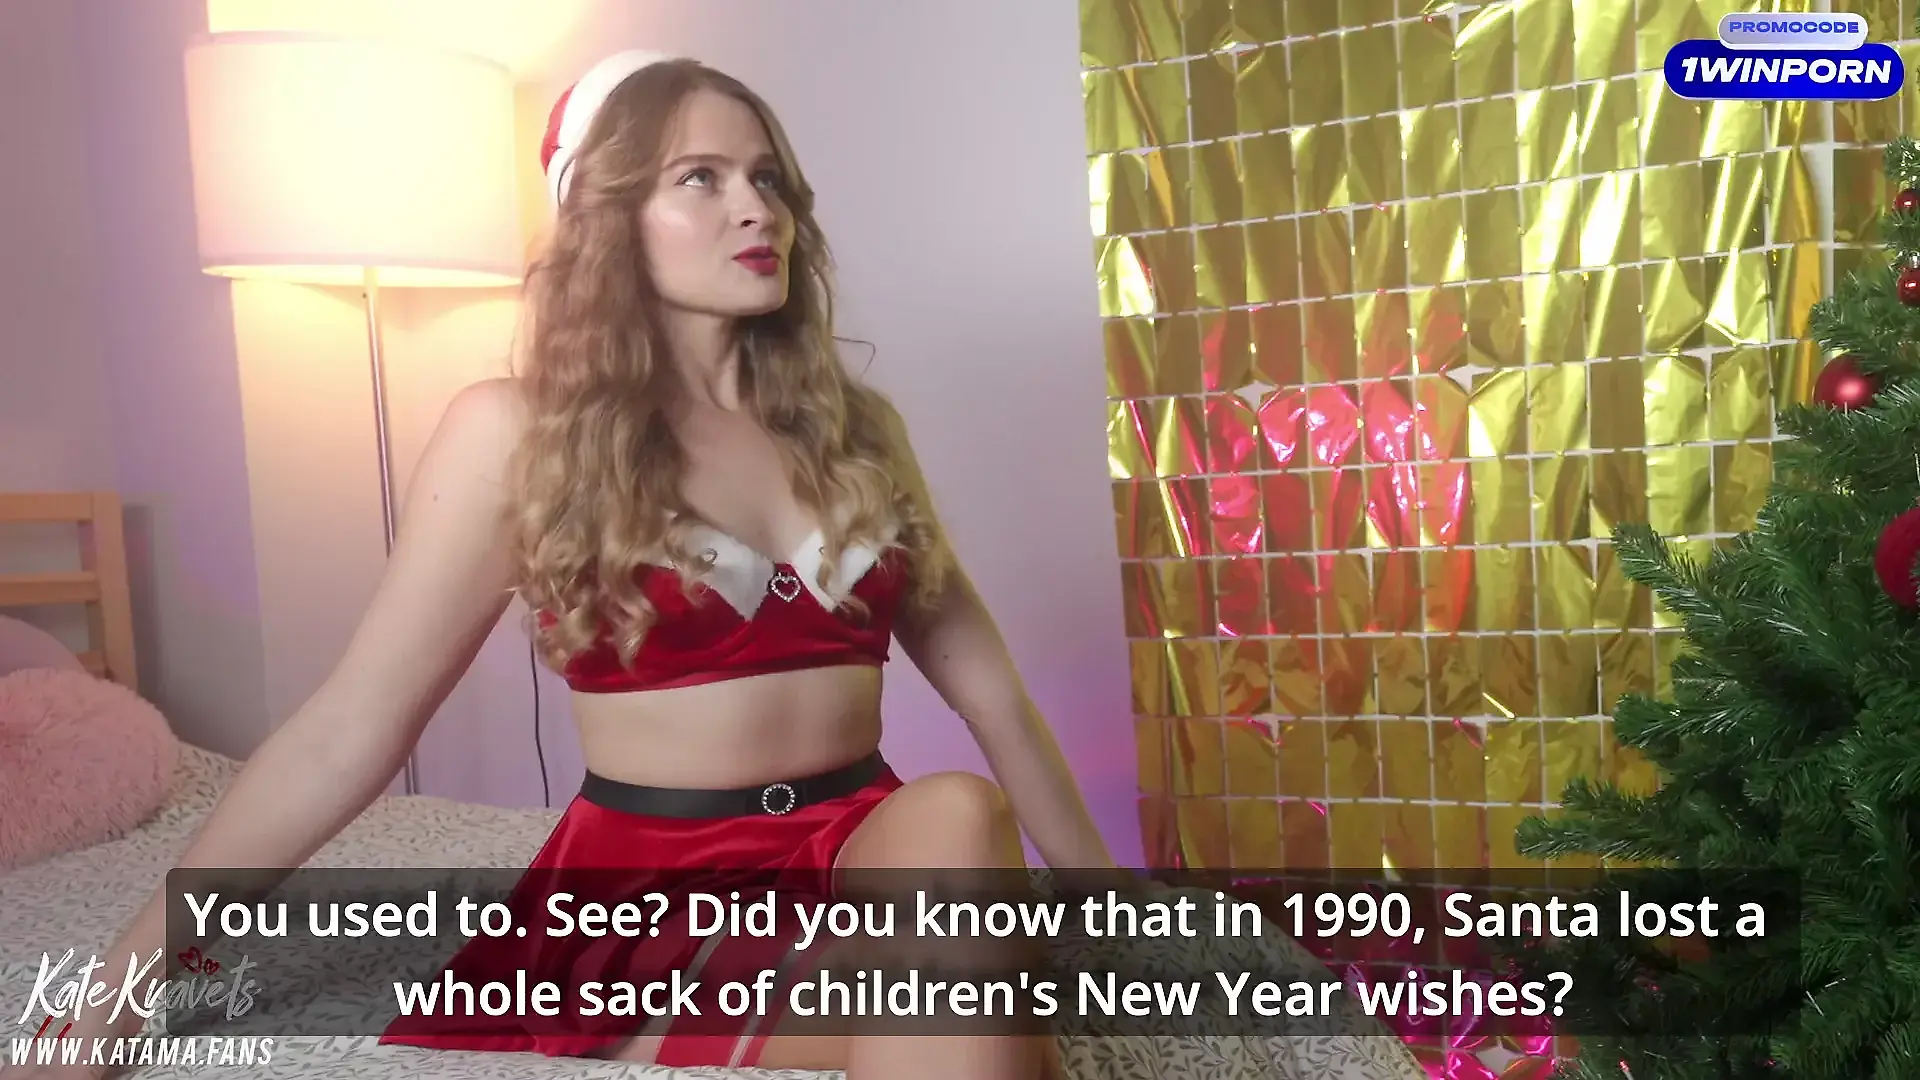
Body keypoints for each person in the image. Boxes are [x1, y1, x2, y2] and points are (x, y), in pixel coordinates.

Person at [2, 51, 1113, 1080]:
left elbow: (994, 695)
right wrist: (116, 994)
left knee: (960, 812)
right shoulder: (518, 432)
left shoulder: (857, 431)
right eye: (701, 177)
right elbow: (348, 732)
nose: (755, 208)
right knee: (965, 993)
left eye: (768, 178)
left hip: (855, 850)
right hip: (654, 899)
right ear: (606, 214)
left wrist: (1129, 918)